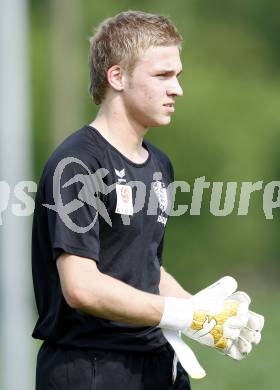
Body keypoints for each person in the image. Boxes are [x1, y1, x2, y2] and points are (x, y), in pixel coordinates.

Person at [32, 10, 264, 390]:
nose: (177, 89)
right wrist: (182, 314)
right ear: (117, 77)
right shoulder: (77, 164)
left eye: (178, 76)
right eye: (162, 76)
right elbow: (81, 287)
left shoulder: (158, 164)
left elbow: (142, 269)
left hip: (157, 363)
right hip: (93, 366)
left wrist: (205, 315)